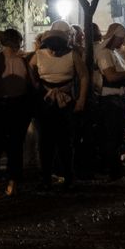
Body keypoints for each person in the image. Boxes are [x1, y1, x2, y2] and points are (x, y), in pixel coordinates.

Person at [31, 22, 87, 191]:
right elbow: (31, 68)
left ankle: (69, 176)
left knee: (65, 141)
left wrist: (81, 99)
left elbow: (84, 76)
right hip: (46, 101)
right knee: (45, 141)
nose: (55, 51)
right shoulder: (38, 55)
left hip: (66, 101)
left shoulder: (72, 55)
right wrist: (37, 84)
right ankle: (46, 177)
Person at [0, 29, 39, 188]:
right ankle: (13, 177)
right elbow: (33, 84)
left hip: (3, 104)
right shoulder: (19, 61)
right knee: (14, 143)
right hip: (15, 104)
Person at [93, 23, 125, 181]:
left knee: (118, 135)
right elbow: (111, 76)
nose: (122, 42)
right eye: (120, 39)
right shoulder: (105, 54)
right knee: (112, 135)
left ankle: (116, 166)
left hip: (119, 98)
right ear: (113, 37)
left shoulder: (113, 52)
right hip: (111, 100)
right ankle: (113, 168)